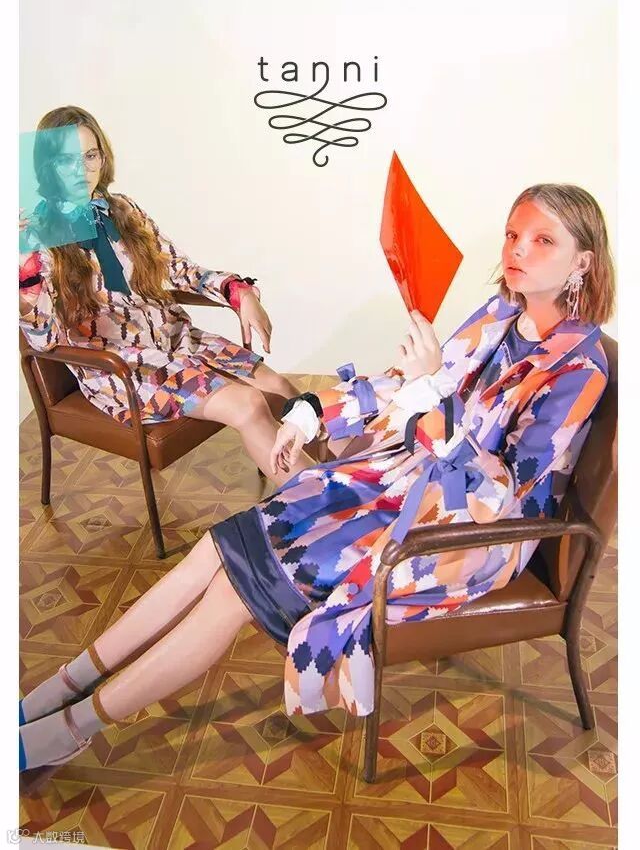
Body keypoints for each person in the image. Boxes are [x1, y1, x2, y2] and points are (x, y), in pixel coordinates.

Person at [19, 183, 615, 788]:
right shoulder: (497, 315)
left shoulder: (579, 369)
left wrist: (431, 392)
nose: (518, 250)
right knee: (217, 547)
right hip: (406, 485)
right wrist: (310, 412)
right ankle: (65, 685)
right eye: (513, 235)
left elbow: (500, 493)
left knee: (232, 593)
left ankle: (68, 729)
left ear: (583, 261)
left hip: (466, 537)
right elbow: (402, 384)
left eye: (543, 240)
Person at [19, 106, 310, 484]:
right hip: (121, 367)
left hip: (175, 339)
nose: (81, 170)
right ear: (47, 166)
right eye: (65, 160)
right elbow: (43, 338)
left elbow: (179, 269)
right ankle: (322, 502)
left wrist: (238, 290)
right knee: (249, 403)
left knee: (284, 391)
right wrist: (23, 270)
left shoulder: (122, 209)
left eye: (90, 155)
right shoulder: (36, 235)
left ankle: (354, 479)